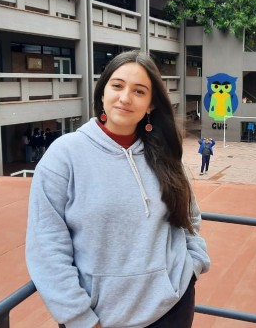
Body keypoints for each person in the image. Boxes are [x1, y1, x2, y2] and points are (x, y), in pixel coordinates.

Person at [25, 51, 210, 328]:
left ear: (150, 105)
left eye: (139, 91)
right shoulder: (64, 155)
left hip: (171, 310)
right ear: (102, 93)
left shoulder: (164, 153)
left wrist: (192, 266)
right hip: (99, 320)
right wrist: (79, 318)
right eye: (117, 85)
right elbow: (47, 245)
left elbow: (189, 216)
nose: (125, 98)